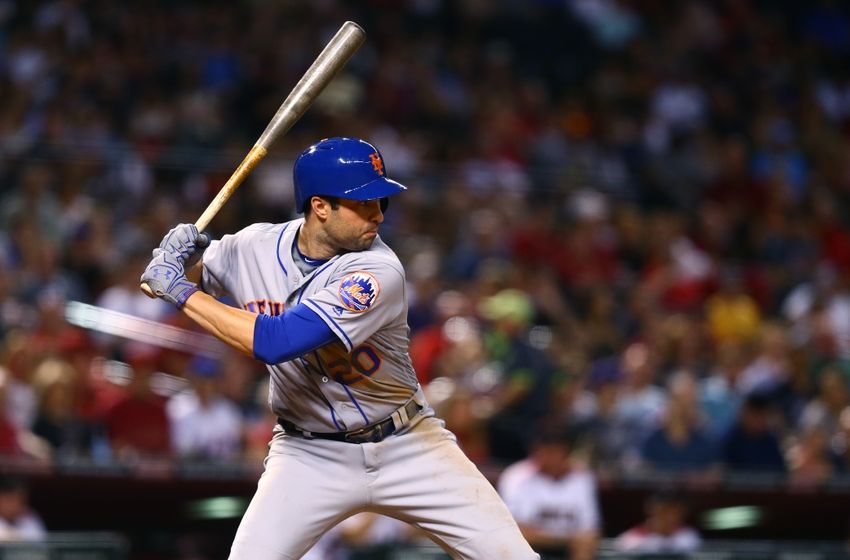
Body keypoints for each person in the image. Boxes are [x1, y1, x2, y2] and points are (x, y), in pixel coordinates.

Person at [140, 137, 539, 560]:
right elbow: (171, 279)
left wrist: (179, 289)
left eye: (380, 201)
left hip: (406, 443)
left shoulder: (377, 270)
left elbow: (278, 341)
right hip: (307, 452)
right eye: (363, 203)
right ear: (320, 207)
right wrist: (177, 260)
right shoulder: (252, 246)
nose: (379, 215)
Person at [497, 427, 600, 560]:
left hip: (569, 551)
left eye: (556, 451)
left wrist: (575, 541)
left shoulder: (582, 477)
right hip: (530, 548)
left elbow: (591, 531)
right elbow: (514, 531)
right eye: (546, 450)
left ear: (566, 452)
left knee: (585, 547)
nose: (551, 457)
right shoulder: (516, 476)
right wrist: (565, 539)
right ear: (535, 450)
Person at [614, 491, 701, 554]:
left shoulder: (689, 536)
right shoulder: (632, 537)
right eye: (663, 511)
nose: (668, 516)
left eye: (672, 511)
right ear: (650, 510)